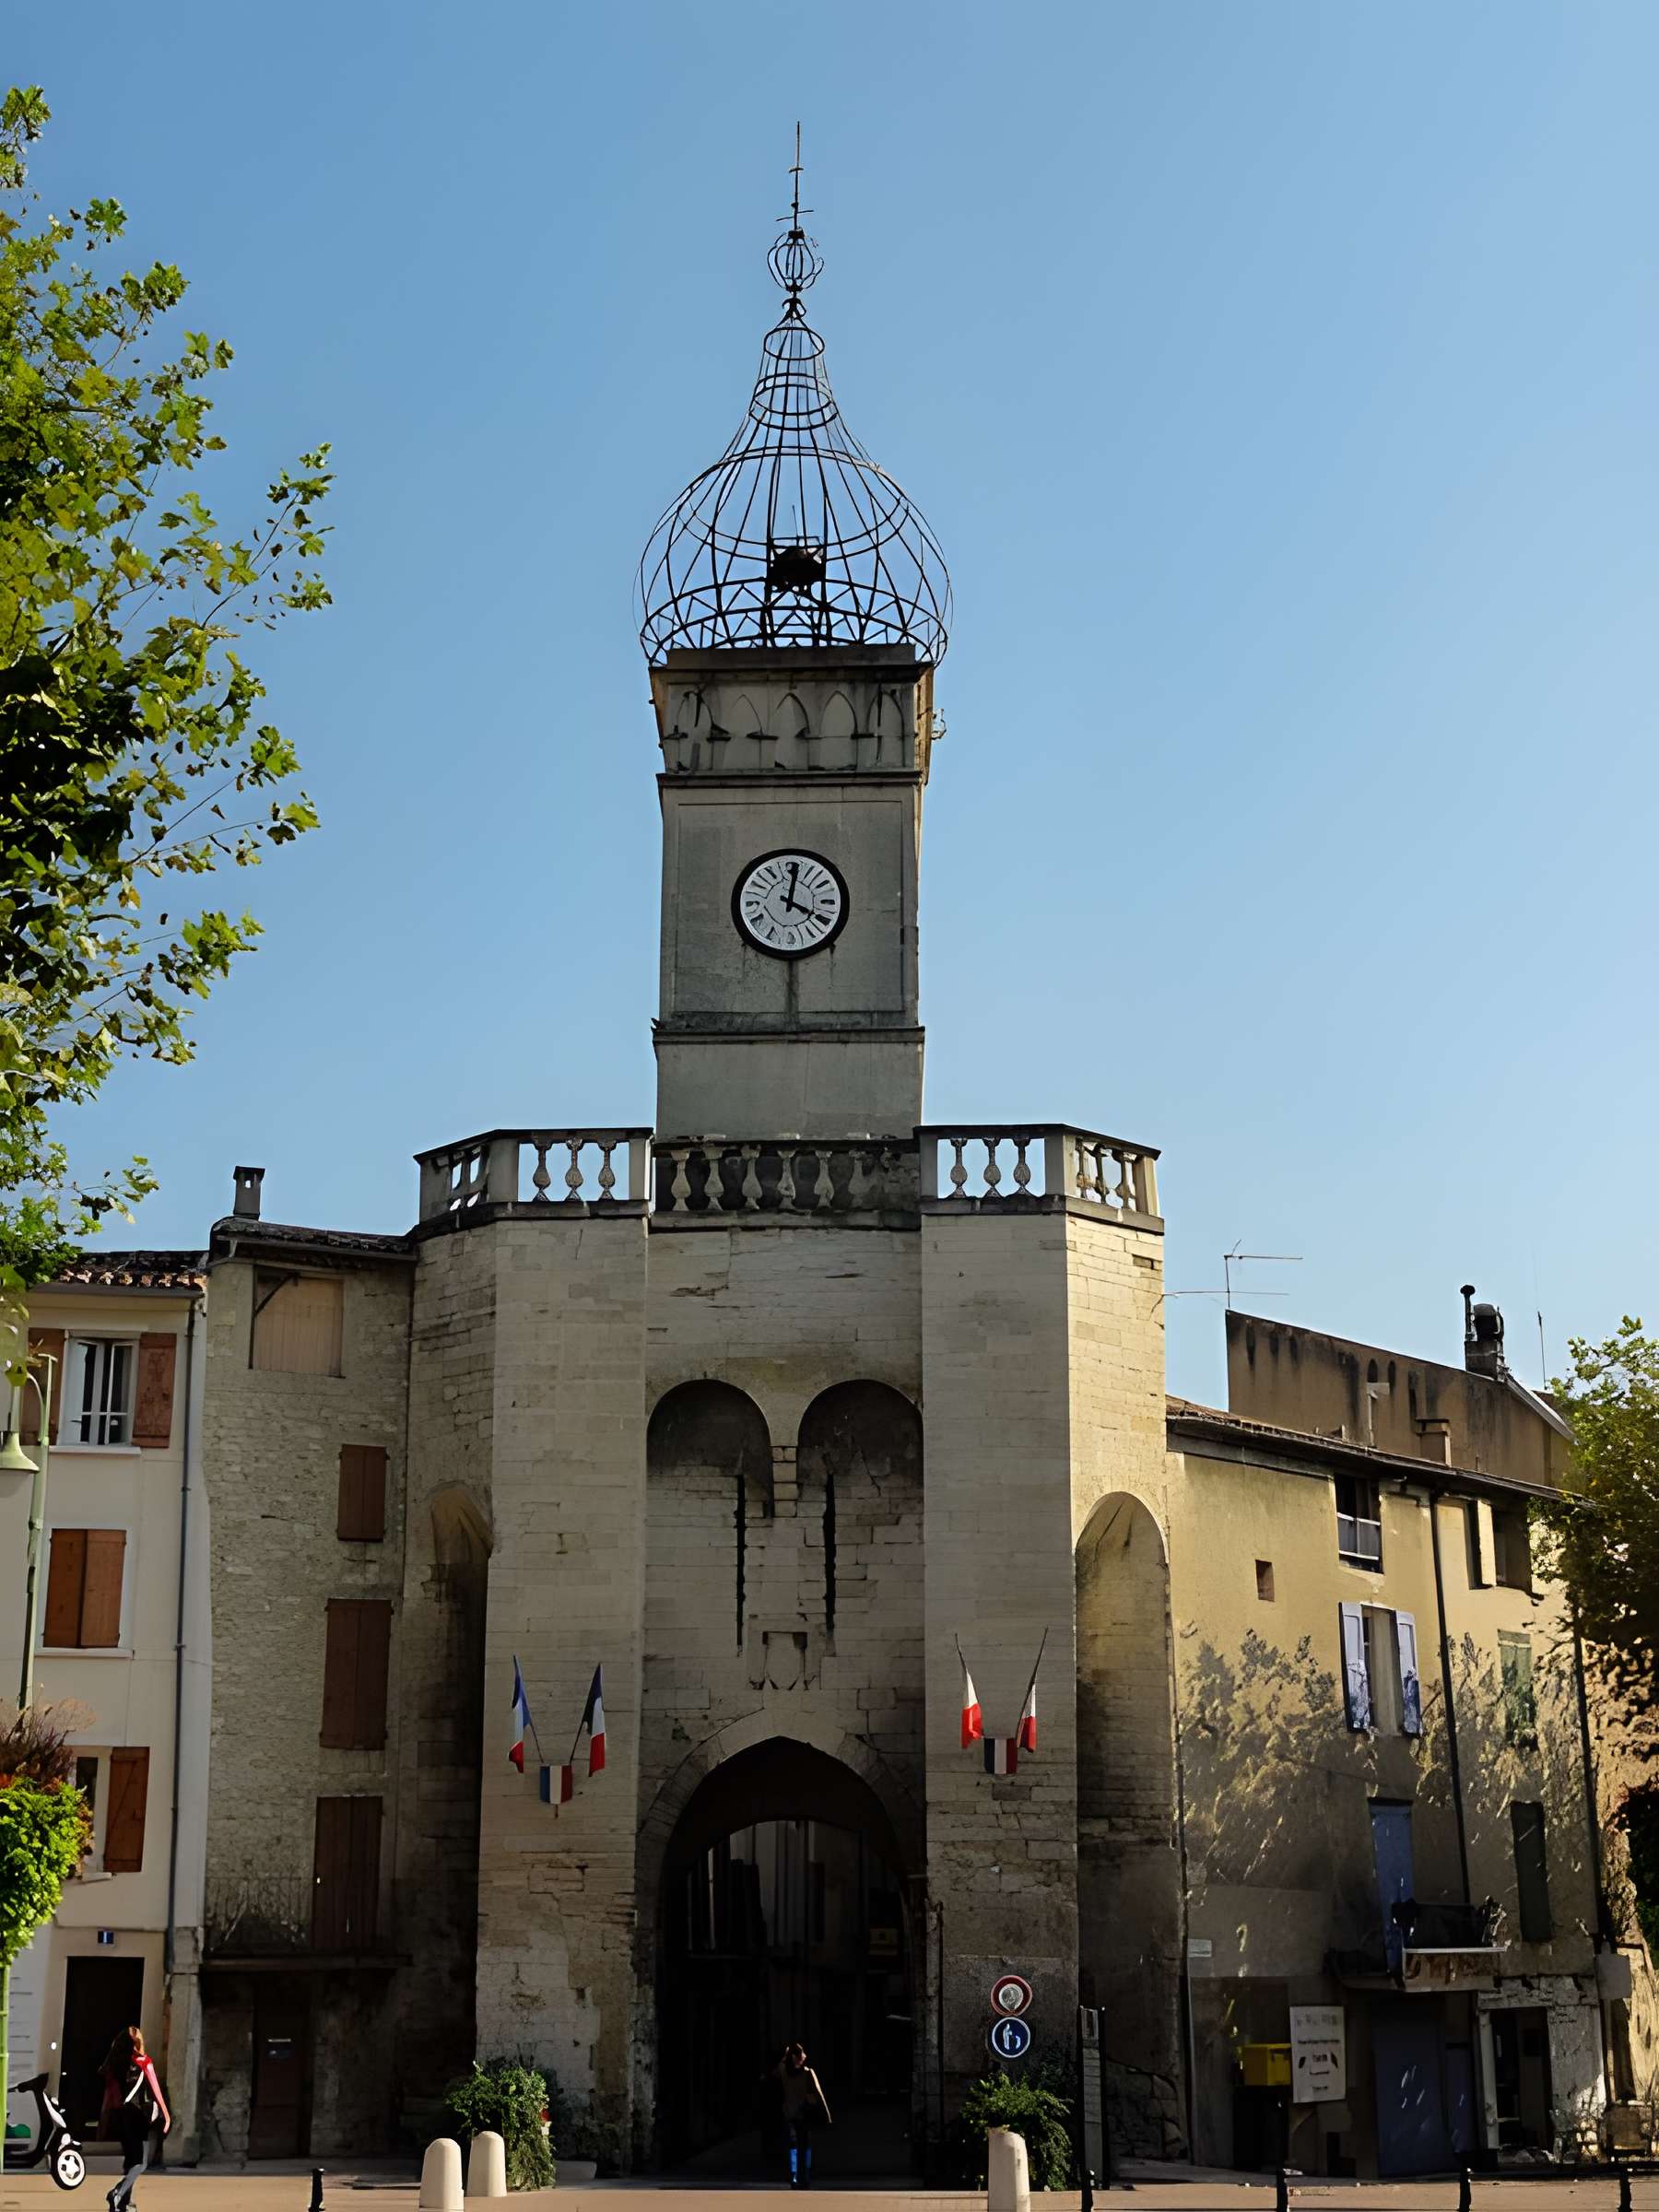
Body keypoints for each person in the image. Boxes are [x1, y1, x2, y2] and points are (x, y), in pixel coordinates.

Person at [99, 2027, 170, 2211]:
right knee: (141, 2163)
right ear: (139, 2042)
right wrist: (166, 2115)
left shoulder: (114, 2066)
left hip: (121, 2116)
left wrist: (105, 2120)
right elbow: (156, 2091)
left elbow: (110, 2097)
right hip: (138, 2117)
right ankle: (117, 2193)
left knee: (130, 2161)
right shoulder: (144, 2062)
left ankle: (124, 2203)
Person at [771, 2041, 830, 2189]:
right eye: (801, 2053)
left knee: (794, 2146)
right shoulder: (807, 2073)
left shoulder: (784, 2071)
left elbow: (776, 2072)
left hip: (789, 2113)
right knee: (805, 2146)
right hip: (803, 2113)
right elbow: (819, 2094)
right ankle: (805, 2176)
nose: (804, 2056)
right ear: (799, 2057)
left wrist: (786, 2055)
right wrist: (826, 2114)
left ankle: (795, 2176)